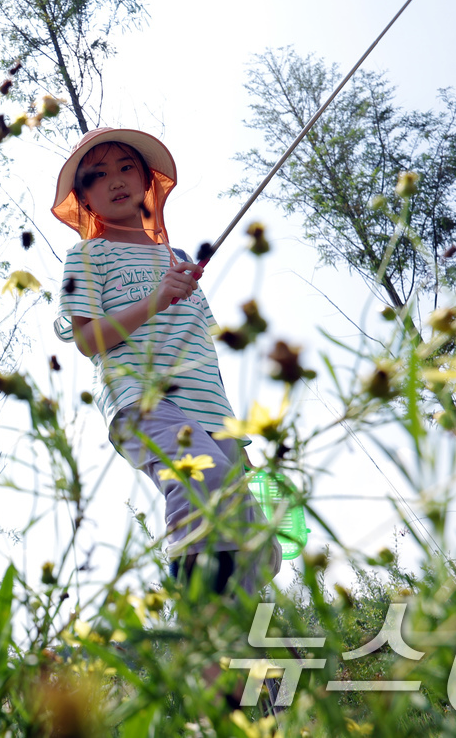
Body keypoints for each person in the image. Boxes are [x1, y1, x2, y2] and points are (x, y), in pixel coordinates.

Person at [51, 127, 275, 595]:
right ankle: (199, 629)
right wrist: (156, 300)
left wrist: (233, 434)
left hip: (211, 412)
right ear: (85, 199)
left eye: (126, 168)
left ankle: (237, 653)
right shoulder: (87, 256)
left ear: (147, 181)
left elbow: (201, 348)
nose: (115, 180)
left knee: (258, 542)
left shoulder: (174, 260)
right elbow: (88, 339)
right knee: (202, 481)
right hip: (144, 402)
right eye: (98, 175)